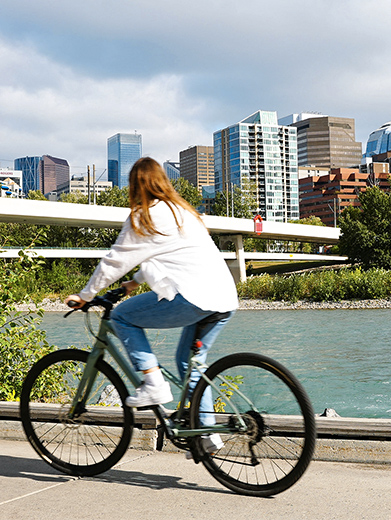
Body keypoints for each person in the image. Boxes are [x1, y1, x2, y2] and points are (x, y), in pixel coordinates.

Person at [65, 157, 238, 419]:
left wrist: (84, 296)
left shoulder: (144, 215)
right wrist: (132, 284)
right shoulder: (184, 212)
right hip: (224, 299)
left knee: (122, 316)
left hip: (194, 298)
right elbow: (167, 258)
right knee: (190, 364)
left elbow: (115, 261)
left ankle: (153, 383)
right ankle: (208, 435)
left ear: (135, 186)